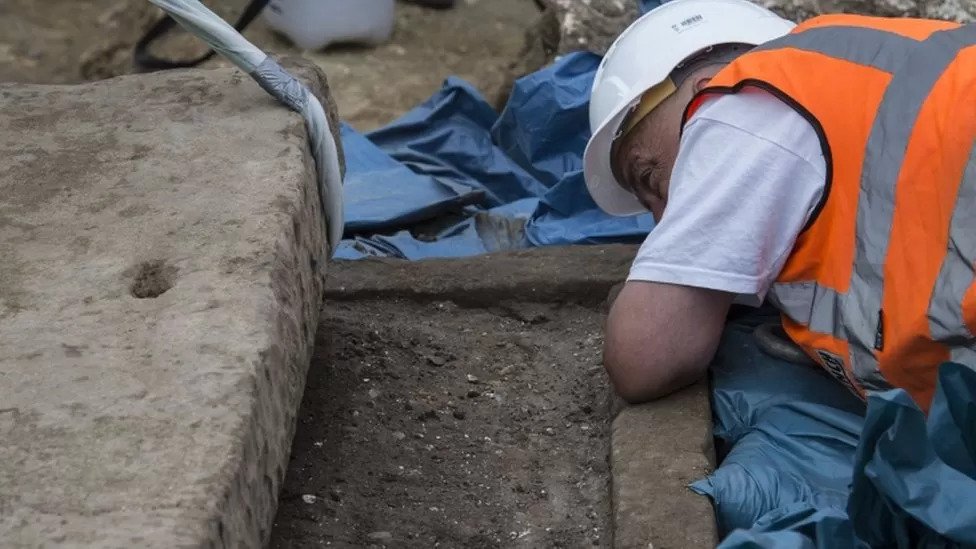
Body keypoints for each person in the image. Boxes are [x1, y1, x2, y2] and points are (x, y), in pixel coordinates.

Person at [583, 0, 976, 412]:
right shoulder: (859, 74)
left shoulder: (744, 101)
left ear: (708, 85)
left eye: (650, 177)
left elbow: (644, 355)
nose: (663, 219)